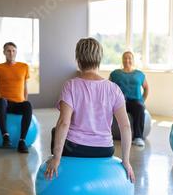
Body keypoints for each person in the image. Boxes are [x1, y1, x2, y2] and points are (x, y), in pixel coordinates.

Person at [44, 38, 135, 183]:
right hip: (104, 150)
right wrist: (126, 161)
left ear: (78, 59)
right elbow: (125, 126)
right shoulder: (114, 89)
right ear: (99, 59)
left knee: (56, 131)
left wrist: (56, 158)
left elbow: (63, 123)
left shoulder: (70, 86)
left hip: (75, 148)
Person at [0, 42, 32, 153]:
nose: (11, 53)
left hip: (18, 104)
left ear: (16, 52)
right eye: (8, 51)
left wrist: (25, 101)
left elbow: (25, 87)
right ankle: (5, 136)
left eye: (13, 50)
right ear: (4, 52)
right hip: (4, 105)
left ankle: (22, 141)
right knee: (1, 101)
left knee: (28, 105)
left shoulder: (24, 67)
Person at [109, 51, 149, 147]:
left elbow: (146, 88)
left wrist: (142, 100)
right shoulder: (115, 73)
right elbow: (108, 88)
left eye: (129, 58)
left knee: (139, 107)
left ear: (133, 60)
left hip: (135, 101)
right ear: (122, 60)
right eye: (125, 58)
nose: (127, 60)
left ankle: (138, 137)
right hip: (120, 101)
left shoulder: (139, 74)